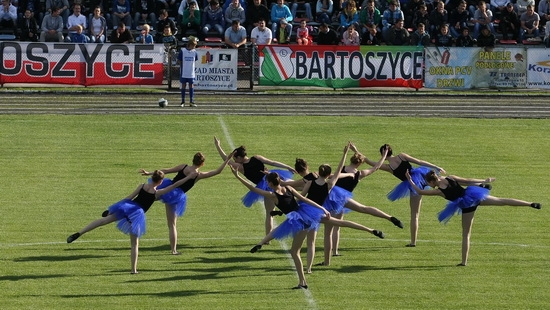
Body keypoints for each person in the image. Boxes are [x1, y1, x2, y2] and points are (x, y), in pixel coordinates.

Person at [232, 167, 385, 290]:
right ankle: (370, 230)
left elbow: (253, 189)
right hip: (307, 213)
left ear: (271, 184)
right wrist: (322, 209)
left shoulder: (272, 195)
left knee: (294, 251)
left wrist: (238, 176)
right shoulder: (288, 189)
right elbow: (304, 199)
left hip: (297, 220)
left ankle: (302, 281)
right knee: (340, 223)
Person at [66, 170, 198, 274]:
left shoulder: (141, 186)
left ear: (152, 178)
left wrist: (112, 209)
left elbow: (128, 197)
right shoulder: (157, 193)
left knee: (103, 221)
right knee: (134, 244)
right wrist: (188, 178)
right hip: (136, 215)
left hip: (127, 207)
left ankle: (79, 233)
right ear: (160, 181)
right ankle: (133, 270)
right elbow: (175, 185)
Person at [406, 170, 541, 266]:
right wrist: (483, 180)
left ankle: (464, 262)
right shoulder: (451, 178)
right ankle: (530, 204)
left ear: (431, 181)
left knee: (466, 234)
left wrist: (410, 180)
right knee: (502, 200)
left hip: (466, 205)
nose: (428, 185)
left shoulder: (439, 191)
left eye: (428, 183)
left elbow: (419, 191)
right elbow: (467, 181)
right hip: (473, 196)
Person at [139, 151, 235, 254]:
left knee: (150, 198)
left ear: (192, 160)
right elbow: (217, 171)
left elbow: (165, 171)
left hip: (167, 186)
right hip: (175, 195)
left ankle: (136, 206)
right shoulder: (198, 175)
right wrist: (227, 159)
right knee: (172, 224)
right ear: (202, 164)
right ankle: (173, 250)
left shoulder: (183, 166)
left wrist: (149, 173)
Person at [321, 143, 402, 262]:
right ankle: (389, 217)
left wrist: (354, 150)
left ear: (351, 159)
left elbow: (329, 176)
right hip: (343, 199)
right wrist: (384, 155)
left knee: (332, 228)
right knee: (363, 208)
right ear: (359, 163)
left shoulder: (342, 169)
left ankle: (332, 254)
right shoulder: (359, 174)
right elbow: (376, 167)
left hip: (332, 199)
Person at [364, 144, 446, 247]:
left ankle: (413, 242)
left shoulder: (389, 167)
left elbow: (371, 163)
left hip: (414, 184)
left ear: (382, 154)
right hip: (422, 175)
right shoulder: (401, 156)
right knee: (444, 181)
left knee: (415, 215)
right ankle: (463, 184)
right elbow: (420, 162)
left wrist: (357, 152)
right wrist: (436, 167)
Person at [214, 137, 296, 236]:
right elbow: (272, 162)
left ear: (239, 157)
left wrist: (218, 146)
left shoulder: (240, 167)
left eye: (235, 158)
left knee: (270, 213)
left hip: (266, 186)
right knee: (296, 186)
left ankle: (267, 239)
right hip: (275, 178)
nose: (234, 160)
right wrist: (287, 166)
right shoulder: (256, 157)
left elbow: (226, 160)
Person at [177, 36, 198, 107]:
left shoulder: (195, 52)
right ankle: (182, 101)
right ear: (190, 44)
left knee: (191, 85)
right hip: (184, 72)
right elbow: (179, 60)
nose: (194, 47)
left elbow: (195, 60)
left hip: (191, 72)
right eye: (194, 45)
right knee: (183, 85)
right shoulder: (183, 51)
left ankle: (191, 101)